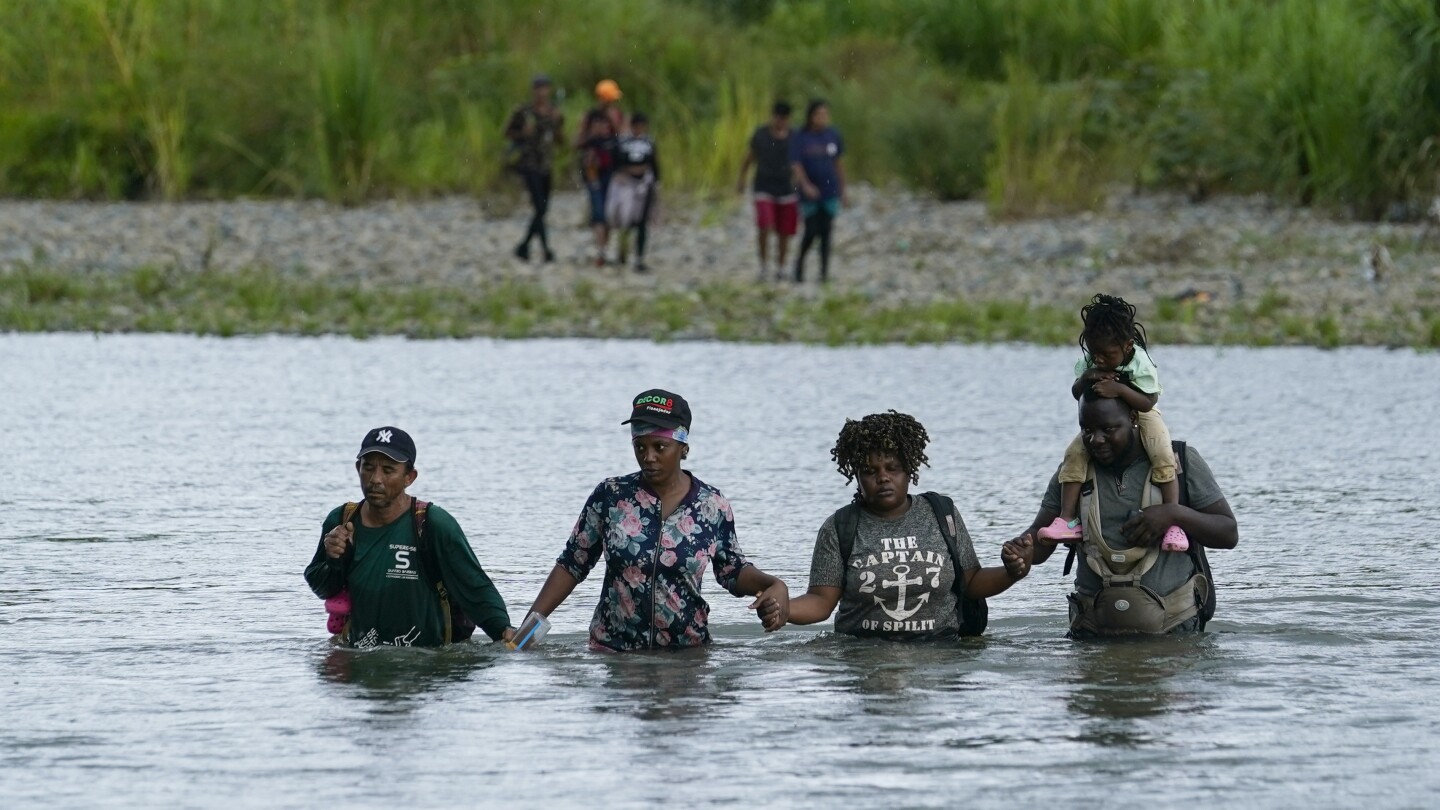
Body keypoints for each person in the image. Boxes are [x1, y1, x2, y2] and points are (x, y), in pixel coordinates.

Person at [521, 390, 790, 651]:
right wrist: (524, 634)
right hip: (614, 653)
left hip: (687, 656)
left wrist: (772, 584)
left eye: (660, 447)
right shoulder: (611, 496)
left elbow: (732, 570)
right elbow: (571, 565)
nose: (648, 457)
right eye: (640, 447)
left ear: (683, 447)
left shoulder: (712, 505)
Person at [784, 411, 1034, 640]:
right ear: (856, 476)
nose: (883, 477)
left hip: (940, 654)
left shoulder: (942, 514)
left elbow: (972, 583)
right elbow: (820, 601)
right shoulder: (839, 527)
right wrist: (783, 607)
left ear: (909, 470)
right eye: (870, 471)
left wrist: (1012, 572)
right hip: (864, 656)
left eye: (893, 468)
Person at [1018, 388, 1239, 637]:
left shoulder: (1180, 462)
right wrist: (1022, 552)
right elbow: (1042, 539)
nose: (1096, 440)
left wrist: (1173, 514)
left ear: (1134, 418)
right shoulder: (1073, 474)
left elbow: (1228, 534)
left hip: (1175, 635)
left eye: (1109, 430)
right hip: (1091, 635)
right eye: (1087, 431)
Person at [304, 427, 514, 648]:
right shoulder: (341, 520)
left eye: (388, 470)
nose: (375, 479)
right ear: (358, 469)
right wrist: (336, 560)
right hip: (361, 660)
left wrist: (502, 630)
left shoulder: (433, 524)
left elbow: (474, 586)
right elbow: (322, 587)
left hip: (428, 663)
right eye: (368, 468)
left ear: (409, 477)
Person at [1038, 294, 1188, 553]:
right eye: (1096, 354)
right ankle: (1067, 519)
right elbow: (1077, 393)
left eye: (1108, 355)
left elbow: (1148, 401)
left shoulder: (1140, 362)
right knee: (1073, 454)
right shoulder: (1093, 360)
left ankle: (1173, 521)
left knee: (1163, 455)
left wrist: (1118, 389)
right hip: (1104, 421)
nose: (1101, 360)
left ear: (1127, 346)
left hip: (1141, 412)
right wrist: (1088, 376)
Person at [504, 74, 565, 263]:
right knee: (539, 208)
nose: (541, 92)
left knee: (543, 209)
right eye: (538, 88)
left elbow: (561, 141)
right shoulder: (523, 111)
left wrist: (557, 124)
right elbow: (507, 133)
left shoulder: (553, 112)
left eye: (545, 88)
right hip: (529, 164)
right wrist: (523, 133)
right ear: (533, 91)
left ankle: (525, 246)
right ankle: (545, 249)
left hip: (546, 164)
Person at [737, 100, 798, 281]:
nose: (780, 122)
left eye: (784, 118)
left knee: (784, 231)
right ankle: (763, 265)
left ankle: (781, 267)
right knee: (765, 223)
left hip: (786, 187)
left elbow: (799, 163)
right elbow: (749, 158)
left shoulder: (794, 137)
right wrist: (741, 179)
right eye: (778, 118)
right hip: (764, 185)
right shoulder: (761, 135)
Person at [790, 98, 846, 283]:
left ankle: (823, 272)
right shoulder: (801, 137)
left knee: (826, 231)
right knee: (811, 229)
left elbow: (838, 163)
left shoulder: (833, 135)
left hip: (829, 190)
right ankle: (800, 264)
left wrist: (843, 189)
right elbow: (796, 165)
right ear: (811, 116)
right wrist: (805, 185)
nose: (823, 118)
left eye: (825, 114)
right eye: (819, 114)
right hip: (809, 192)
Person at [606, 112, 660, 272]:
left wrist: (657, 184)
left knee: (642, 221)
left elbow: (655, 163)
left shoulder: (649, 142)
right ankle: (622, 249)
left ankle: (639, 258)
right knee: (625, 218)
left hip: (644, 183)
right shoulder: (623, 142)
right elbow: (615, 162)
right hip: (626, 184)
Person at [577, 109, 619, 267]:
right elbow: (576, 144)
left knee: (608, 215)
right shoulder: (589, 141)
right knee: (599, 214)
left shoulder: (613, 141)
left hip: (610, 181)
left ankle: (604, 248)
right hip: (593, 180)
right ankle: (600, 250)